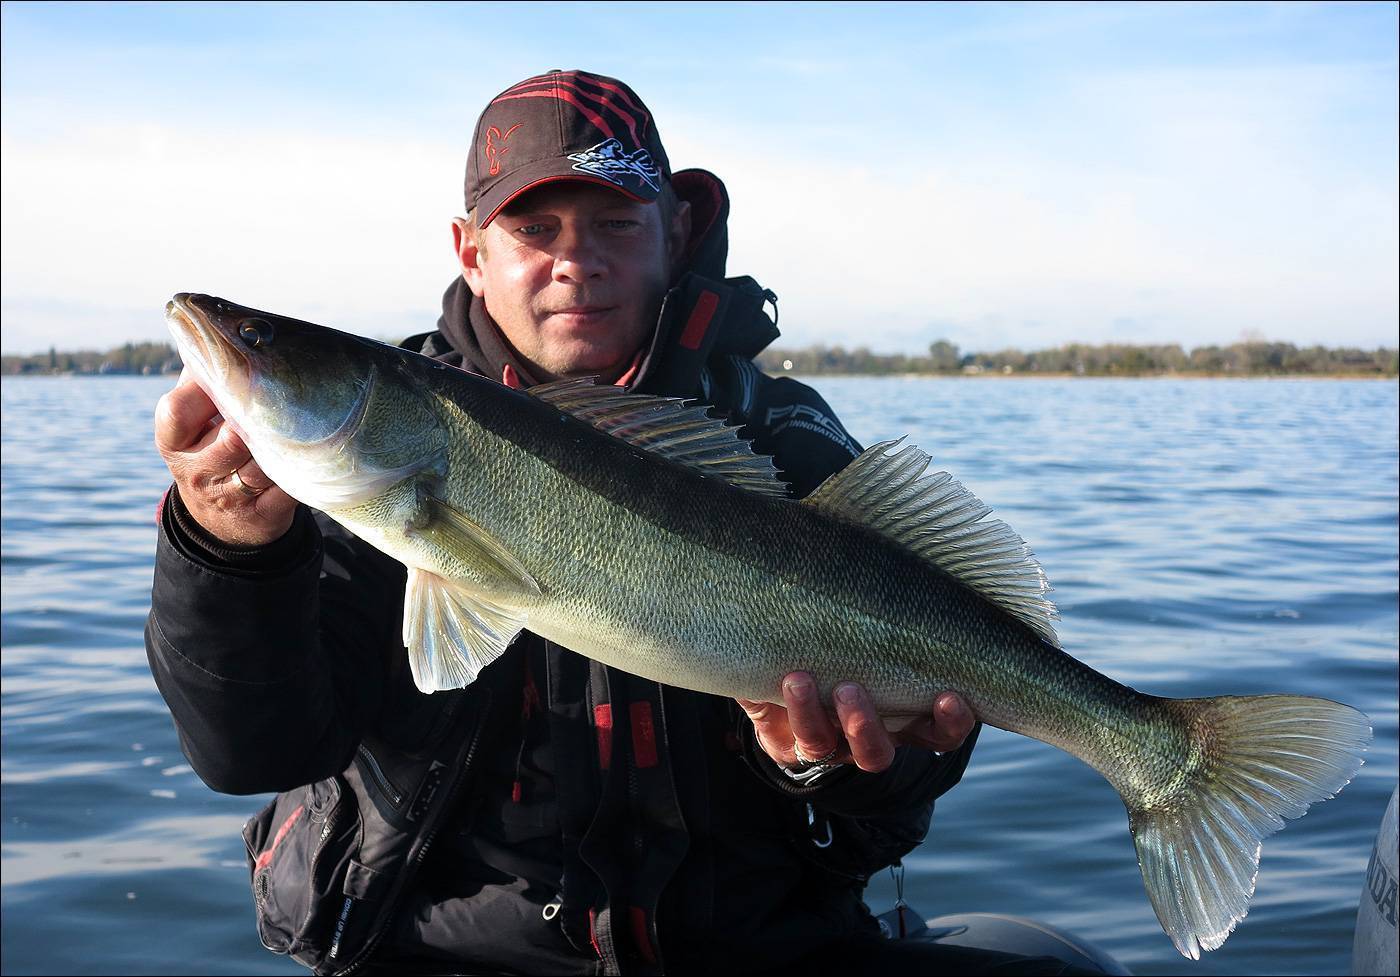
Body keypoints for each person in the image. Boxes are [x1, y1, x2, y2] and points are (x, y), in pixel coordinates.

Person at [147, 70, 1016, 976]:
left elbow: (907, 782)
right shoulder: (367, 467)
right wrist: (227, 548)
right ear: (471, 250)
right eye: (533, 228)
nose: (576, 261)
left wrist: (828, 767)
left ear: (674, 234)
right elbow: (254, 749)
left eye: (614, 223)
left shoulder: (787, 442)